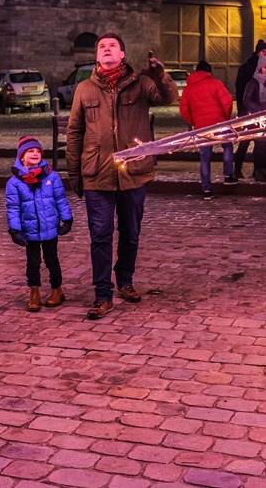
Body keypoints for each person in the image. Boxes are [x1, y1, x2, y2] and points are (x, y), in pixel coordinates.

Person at [66, 33, 178, 320]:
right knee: (100, 235)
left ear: (123, 54)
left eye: (112, 45)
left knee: (131, 232)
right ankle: (102, 294)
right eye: (102, 46)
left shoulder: (141, 84)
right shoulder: (84, 88)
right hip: (96, 173)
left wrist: (159, 74)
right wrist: (74, 172)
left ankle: (124, 279)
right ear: (96, 56)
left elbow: (169, 98)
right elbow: (75, 131)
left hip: (134, 172)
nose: (106, 49)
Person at [6, 136, 74, 311]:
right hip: (30, 230)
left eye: (38, 151)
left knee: (52, 260)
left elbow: (60, 199)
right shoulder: (14, 183)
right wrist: (15, 230)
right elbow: (13, 207)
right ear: (21, 156)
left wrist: (66, 218)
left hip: (50, 228)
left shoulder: (51, 176)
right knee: (33, 262)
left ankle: (57, 289)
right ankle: (34, 291)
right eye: (30, 151)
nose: (35, 154)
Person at [178, 60, 235, 200]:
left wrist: (196, 122)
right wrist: (224, 117)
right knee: (227, 146)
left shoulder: (188, 89)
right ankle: (228, 176)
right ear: (208, 71)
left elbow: (184, 111)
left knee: (205, 157)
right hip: (219, 123)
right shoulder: (215, 83)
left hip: (202, 127)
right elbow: (227, 101)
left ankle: (207, 190)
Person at [233, 40, 266, 181]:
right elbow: (240, 89)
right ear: (257, 52)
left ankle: (258, 170)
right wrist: (242, 110)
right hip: (248, 110)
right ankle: (237, 167)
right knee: (245, 140)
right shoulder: (247, 68)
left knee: (260, 142)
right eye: (263, 51)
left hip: (263, 111)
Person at [242, 52, 266, 181]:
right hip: (258, 118)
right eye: (265, 67)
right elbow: (246, 99)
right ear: (260, 68)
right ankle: (258, 171)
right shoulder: (253, 81)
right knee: (260, 145)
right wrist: (260, 109)